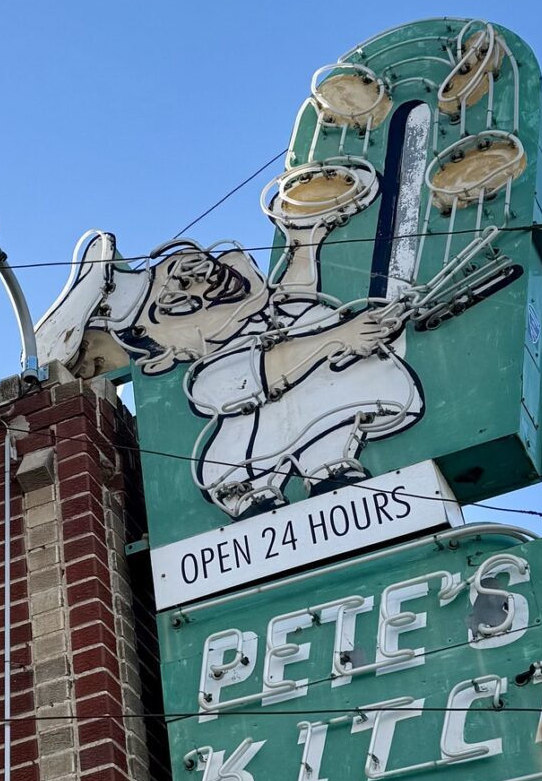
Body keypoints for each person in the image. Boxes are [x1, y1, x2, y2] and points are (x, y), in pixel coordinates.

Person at [34, 161, 423, 516]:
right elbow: (267, 371)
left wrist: (304, 238)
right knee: (275, 445)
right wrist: (339, 337)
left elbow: (295, 294)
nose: (200, 280)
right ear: (164, 358)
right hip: (249, 472)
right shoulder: (209, 374)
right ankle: (271, 497)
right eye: (177, 304)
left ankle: (331, 470)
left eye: (179, 270)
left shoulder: (269, 315)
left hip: (338, 419)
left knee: (330, 424)